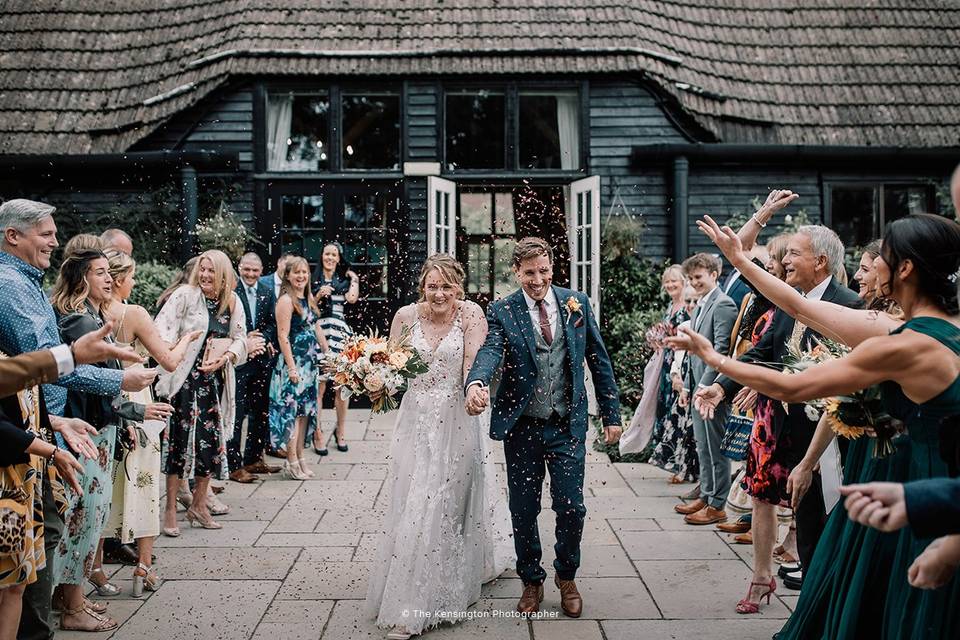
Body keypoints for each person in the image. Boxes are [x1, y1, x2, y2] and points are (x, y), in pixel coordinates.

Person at [671, 212, 960, 639]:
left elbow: (795, 386)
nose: (873, 262)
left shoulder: (908, 345)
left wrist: (716, 361)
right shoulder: (936, 328)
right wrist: (742, 261)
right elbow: (800, 305)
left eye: (883, 255)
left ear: (905, 268)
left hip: (916, 484)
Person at [0, 199, 155, 640]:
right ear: (13, 236)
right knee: (38, 536)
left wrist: (54, 418)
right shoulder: (9, 284)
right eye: (45, 233)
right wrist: (117, 379)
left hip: (40, 422)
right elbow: (37, 365)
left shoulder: (24, 280)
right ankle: (42, 626)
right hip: (18, 433)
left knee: (43, 530)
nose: (54, 240)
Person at [465, 237, 622, 618]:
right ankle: (531, 580)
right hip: (523, 427)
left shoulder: (576, 303)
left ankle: (566, 576)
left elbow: (597, 359)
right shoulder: (503, 309)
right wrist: (477, 382)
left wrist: (612, 415)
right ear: (516, 272)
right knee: (523, 508)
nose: (537, 279)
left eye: (544, 271)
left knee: (572, 506)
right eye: (529, 272)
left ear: (552, 268)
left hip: (566, 425)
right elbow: (490, 351)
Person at [365, 255, 512, 640]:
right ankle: (412, 586)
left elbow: (472, 366)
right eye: (433, 286)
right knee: (413, 499)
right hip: (414, 421)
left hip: (458, 417)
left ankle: (414, 608)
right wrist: (376, 386)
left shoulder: (471, 315)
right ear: (422, 287)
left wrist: (474, 392)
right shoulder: (404, 317)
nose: (440, 293)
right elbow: (392, 373)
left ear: (459, 288)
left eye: (447, 286)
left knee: (443, 503)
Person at [49, 249, 169, 631]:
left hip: (96, 429)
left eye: (108, 272)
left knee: (88, 518)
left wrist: (134, 414)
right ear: (81, 279)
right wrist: (129, 396)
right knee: (84, 521)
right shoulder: (80, 322)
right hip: (85, 434)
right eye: (99, 273)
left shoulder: (94, 317)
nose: (109, 279)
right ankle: (71, 607)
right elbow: (83, 383)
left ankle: (71, 596)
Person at [99, 249, 200, 596]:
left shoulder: (86, 311)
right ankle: (143, 567)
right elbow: (169, 361)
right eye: (132, 276)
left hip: (101, 402)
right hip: (137, 402)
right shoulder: (133, 314)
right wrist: (189, 338)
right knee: (142, 484)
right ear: (119, 279)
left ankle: (95, 568)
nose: (135, 281)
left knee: (104, 485)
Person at [155, 250, 248, 534]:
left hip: (213, 384)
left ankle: (198, 505)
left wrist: (227, 356)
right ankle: (170, 508)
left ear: (223, 276)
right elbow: (160, 332)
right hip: (183, 382)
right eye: (203, 270)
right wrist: (181, 345)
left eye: (212, 271)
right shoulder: (184, 295)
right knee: (179, 446)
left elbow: (241, 339)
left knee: (210, 445)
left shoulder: (231, 302)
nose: (206, 275)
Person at [672, 253, 738, 526]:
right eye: (691, 278)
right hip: (698, 386)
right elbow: (693, 353)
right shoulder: (701, 304)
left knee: (716, 447)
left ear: (714, 274)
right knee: (703, 446)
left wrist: (705, 386)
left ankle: (718, 504)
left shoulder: (724, 305)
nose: (694, 283)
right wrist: (687, 385)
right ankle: (707, 493)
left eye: (698, 277)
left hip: (712, 390)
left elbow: (721, 350)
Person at [619, 265, 686, 463]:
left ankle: (680, 462)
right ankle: (671, 459)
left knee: (678, 413)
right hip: (665, 366)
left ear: (683, 281)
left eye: (674, 280)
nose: (670, 285)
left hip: (678, 365)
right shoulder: (671, 306)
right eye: (667, 281)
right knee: (665, 410)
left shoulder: (687, 306)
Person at [269, 257, 327, 480]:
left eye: (304, 272)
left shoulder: (308, 298)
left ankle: (301, 457)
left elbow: (315, 324)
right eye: (296, 273)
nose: (301, 276)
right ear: (288, 276)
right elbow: (282, 336)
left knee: (305, 413)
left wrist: (326, 349)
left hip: (310, 366)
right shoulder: (285, 300)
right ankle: (291, 460)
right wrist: (292, 369)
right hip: (293, 367)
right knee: (292, 414)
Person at [228, 253, 280, 483]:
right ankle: (233, 464)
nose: (250, 274)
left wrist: (260, 339)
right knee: (237, 413)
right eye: (246, 269)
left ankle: (254, 458)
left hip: (261, 361)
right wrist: (245, 340)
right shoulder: (231, 292)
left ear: (261, 271)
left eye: (254, 271)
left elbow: (271, 322)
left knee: (260, 411)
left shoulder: (268, 292)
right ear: (239, 268)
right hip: (239, 362)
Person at [647, 285, 700, 482]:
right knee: (678, 428)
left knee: (691, 432)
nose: (691, 305)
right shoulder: (684, 324)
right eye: (688, 302)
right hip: (681, 380)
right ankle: (680, 468)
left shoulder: (700, 324)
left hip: (695, 382)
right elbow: (678, 354)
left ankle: (692, 473)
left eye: (695, 301)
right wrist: (676, 375)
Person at [313, 242, 359, 455]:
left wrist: (354, 278)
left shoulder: (344, 281)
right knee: (320, 387)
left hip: (340, 334)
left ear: (339, 258)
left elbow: (352, 298)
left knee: (342, 386)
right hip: (320, 331)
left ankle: (340, 431)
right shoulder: (312, 280)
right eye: (327, 254)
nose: (330, 257)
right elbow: (306, 308)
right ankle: (317, 433)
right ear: (321, 256)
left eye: (334, 254)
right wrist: (319, 295)